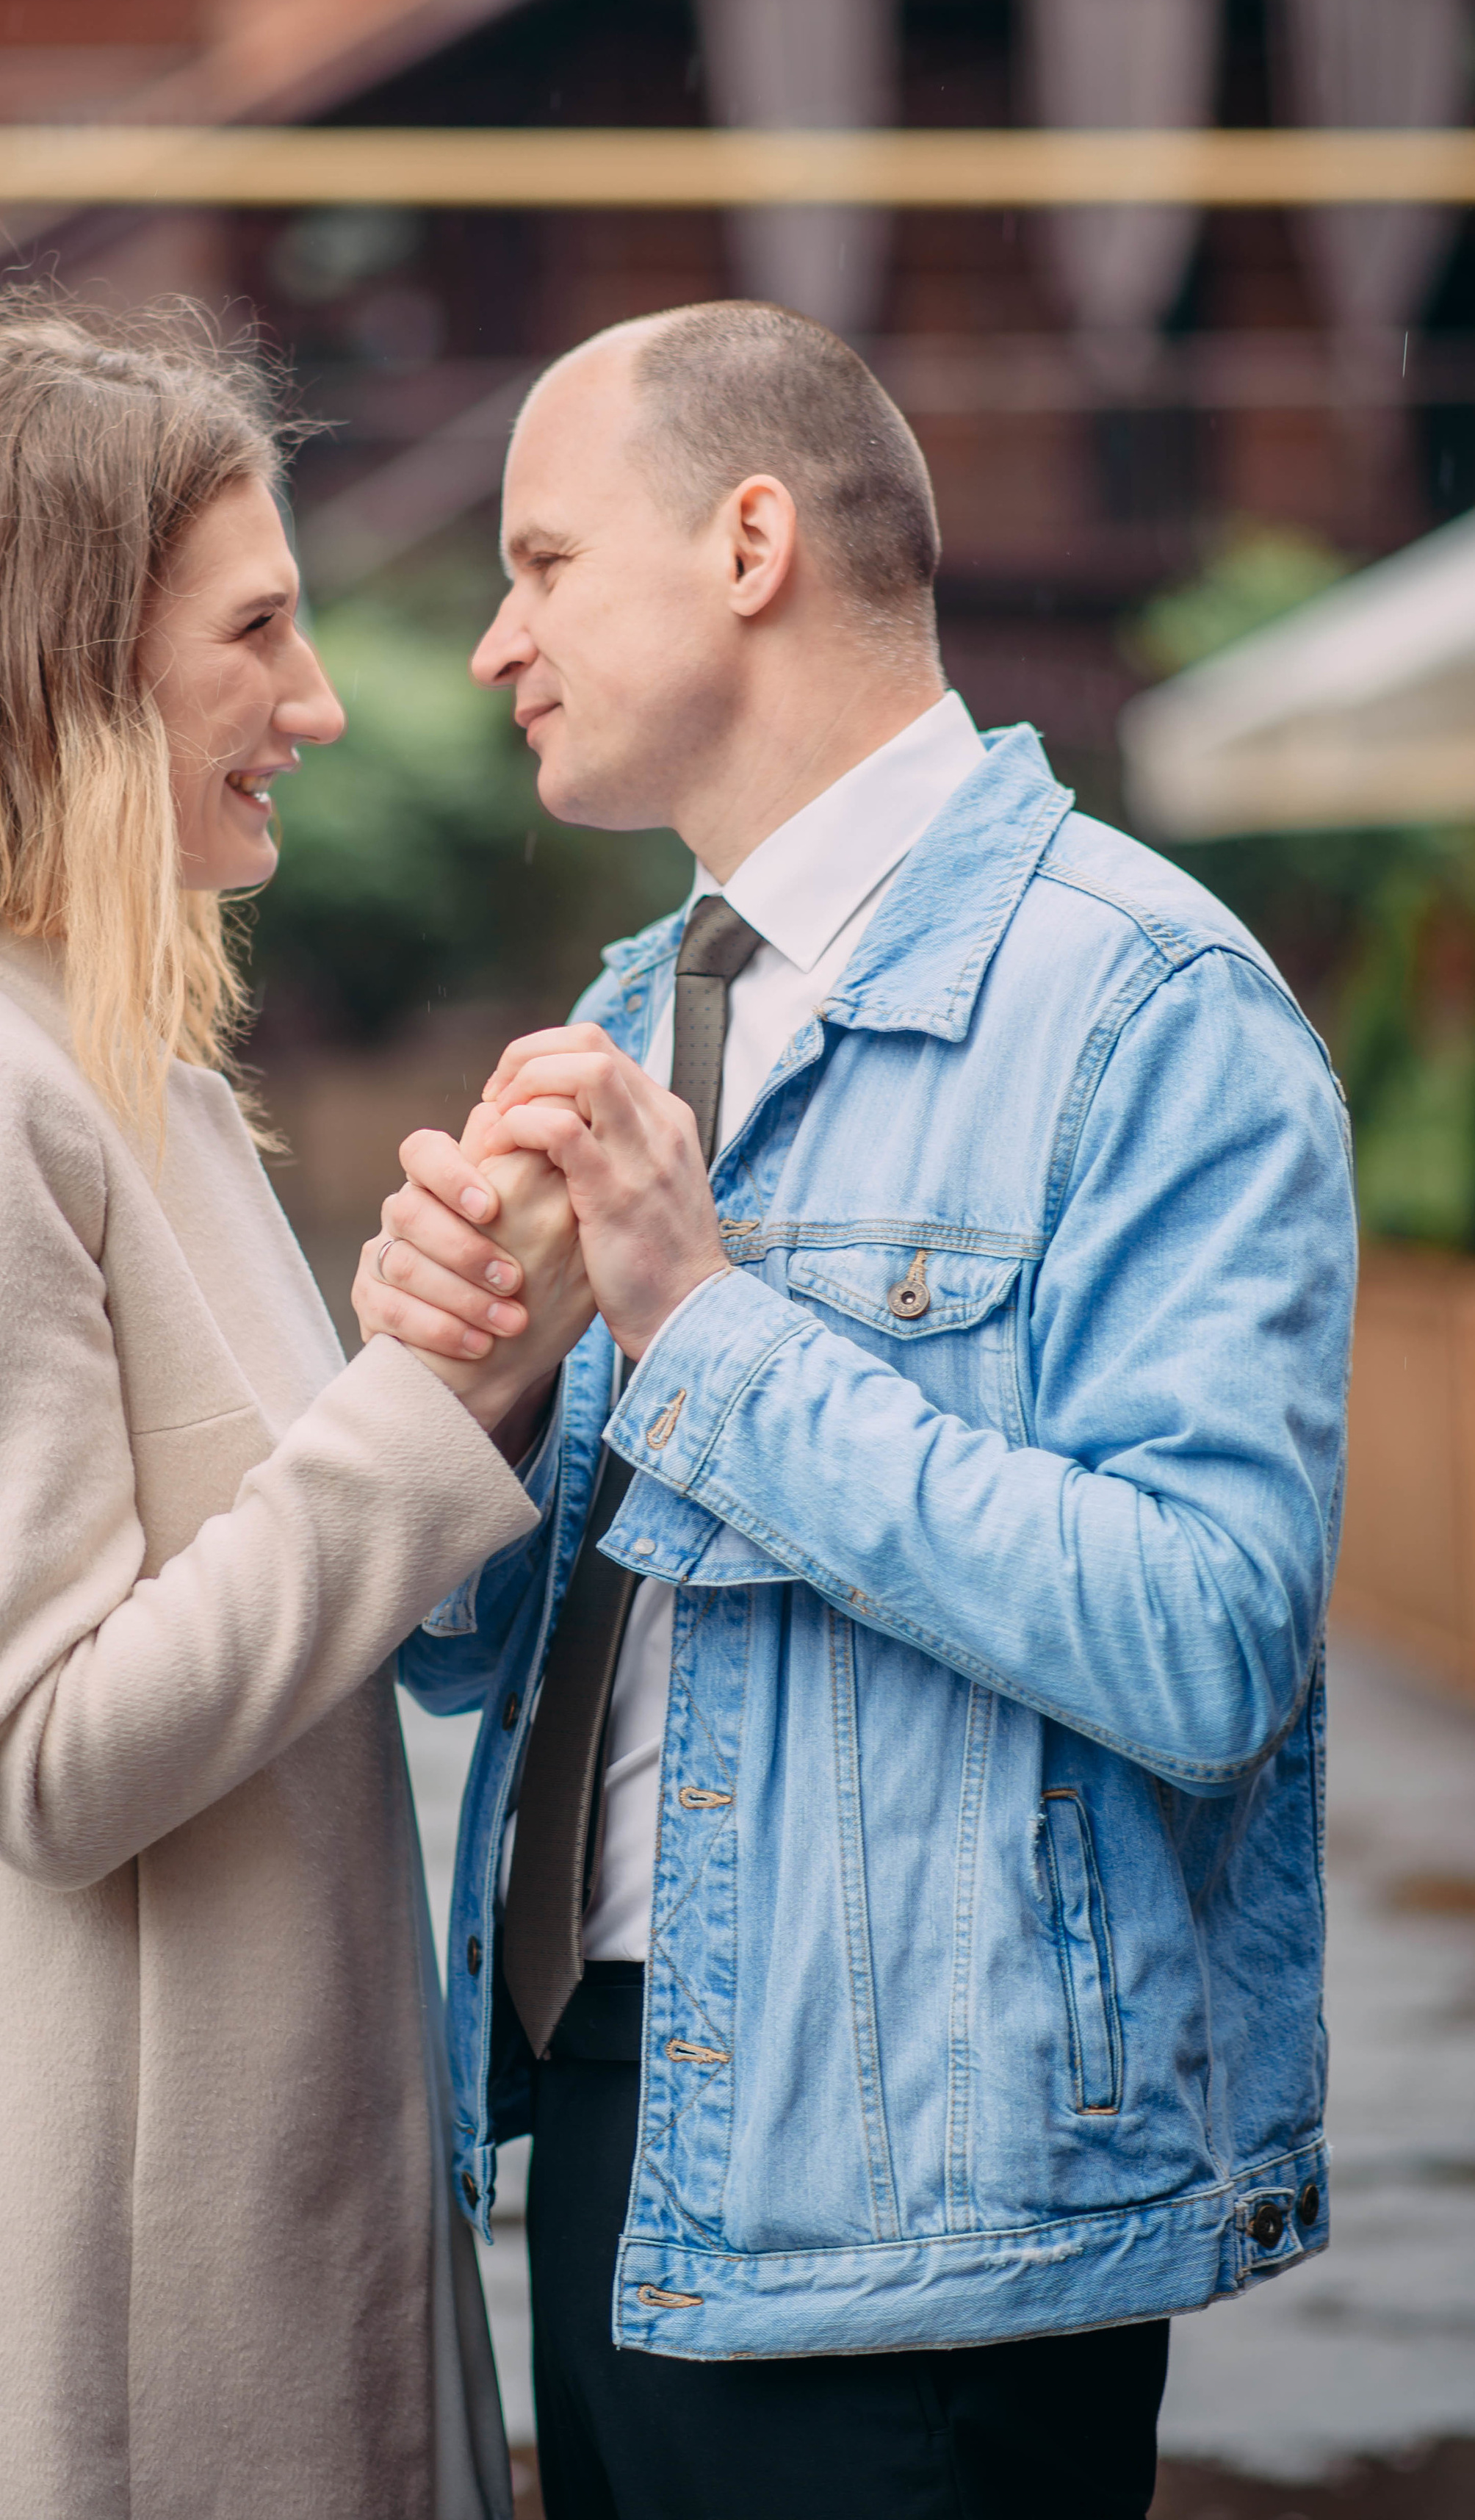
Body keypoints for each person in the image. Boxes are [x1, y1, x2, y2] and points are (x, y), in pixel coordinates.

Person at [354, 300, 1357, 2520]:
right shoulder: (639, 1005)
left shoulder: (1146, 1002)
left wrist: (703, 1333)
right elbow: (478, 1661)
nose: (496, 645)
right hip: (614, 2125)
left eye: (541, 563)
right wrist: (472, 1405)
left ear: (747, 539)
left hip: (938, 2224)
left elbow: (1213, 1639)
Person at [0, 297, 594, 2520]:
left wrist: (464, 1380)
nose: (321, 703)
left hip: (169, 2316)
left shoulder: (106, 1065)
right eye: (257, 629)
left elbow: (251, 1576)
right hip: (42, 2372)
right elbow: (54, 1747)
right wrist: (443, 1389)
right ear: (66, 651)